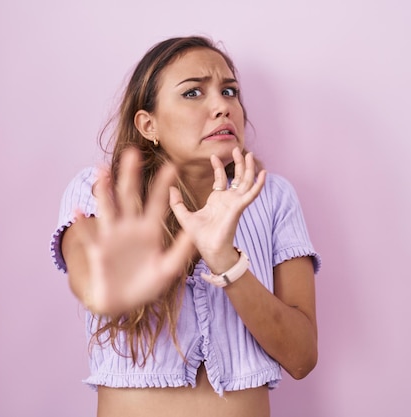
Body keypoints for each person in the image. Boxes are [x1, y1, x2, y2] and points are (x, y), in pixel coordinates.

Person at [50, 35, 321, 417]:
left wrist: (226, 260)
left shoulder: (273, 197)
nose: (222, 106)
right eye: (193, 93)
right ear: (148, 124)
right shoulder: (98, 190)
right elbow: (87, 272)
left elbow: (301, 357)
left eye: (230, 91)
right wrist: (106, 281)